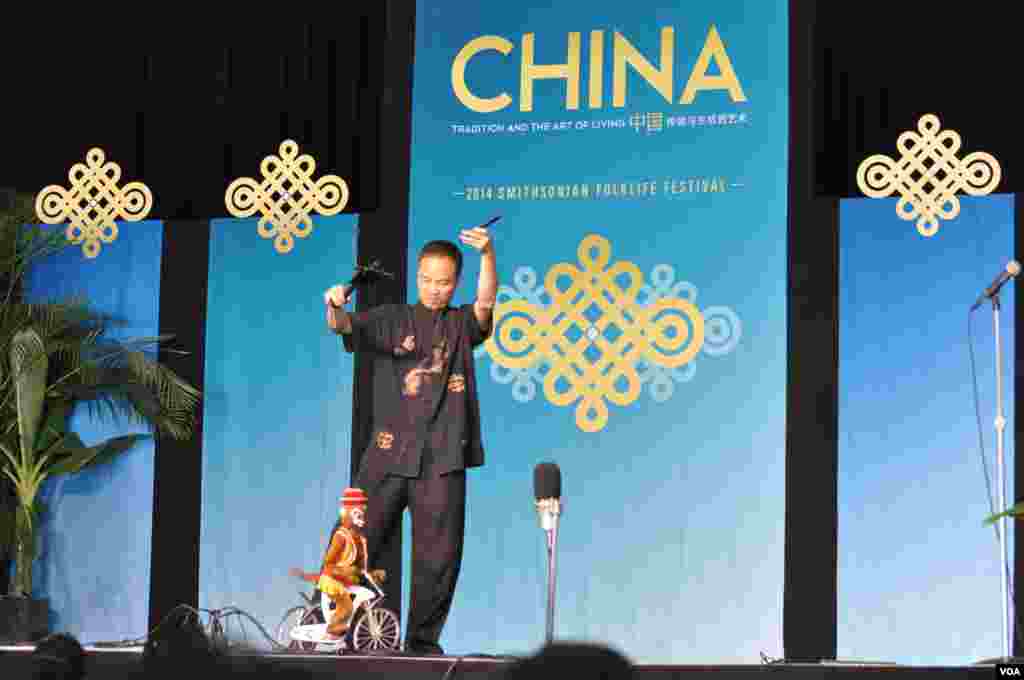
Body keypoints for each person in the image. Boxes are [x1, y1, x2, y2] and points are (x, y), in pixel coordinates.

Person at [322, 225, 497, 655]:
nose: (434, 288)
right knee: (352, 539)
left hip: (442, 454)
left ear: (455, 282)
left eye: (443, 282)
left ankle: (421, 646)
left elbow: (486, 303)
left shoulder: (460, 325)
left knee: (438, 559)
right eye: (427, 279)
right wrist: (333, 303)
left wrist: (488, 254)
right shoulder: (391, 318)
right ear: (417, 276)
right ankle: (327, 630)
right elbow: (342, 324)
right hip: (386, 451)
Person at [290, 487, 387, 640]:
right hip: (332, 580)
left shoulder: (361, 540)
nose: (361, 515)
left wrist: (373, 574)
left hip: (348, 582)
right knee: (346, 605)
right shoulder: (341, 537)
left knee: (360, 597)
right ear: (346, 513)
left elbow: (362, 569)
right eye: (356, 512)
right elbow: (328, 564)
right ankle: (332, 630)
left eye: (362, 511)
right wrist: (346, 571)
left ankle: (344, 631)